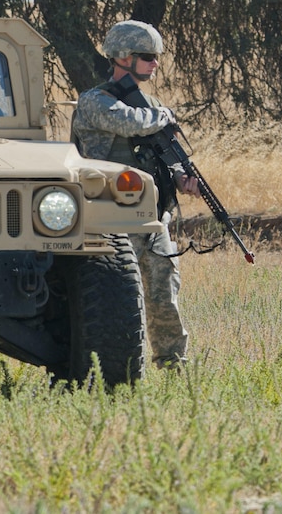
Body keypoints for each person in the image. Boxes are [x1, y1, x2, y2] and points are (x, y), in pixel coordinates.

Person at [70, 20, 200, 369]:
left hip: (152, 217)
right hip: (108, 220)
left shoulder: (150, 104)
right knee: (114, 302)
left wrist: (181, 177)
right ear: (123, 57)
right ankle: (112, 370)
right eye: (147, 56)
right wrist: (164, 115)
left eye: (157, 56)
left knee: (164, 298)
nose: (155, 63)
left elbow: (163, 151)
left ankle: (173, 364)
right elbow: (132, 123)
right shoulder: (95, 101)